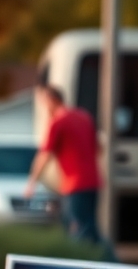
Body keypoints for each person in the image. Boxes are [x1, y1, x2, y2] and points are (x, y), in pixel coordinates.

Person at [24, 84, 102, 243]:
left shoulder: (58, 122)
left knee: (77, 228)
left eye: (43, 103)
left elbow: (44, 155)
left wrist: (31, 182)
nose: (43, 108)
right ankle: (107, 260)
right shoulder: (84, 116)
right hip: (93, 180)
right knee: (90, 226)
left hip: (74, 183)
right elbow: (99, 148)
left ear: (51, 100)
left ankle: (87, 262)